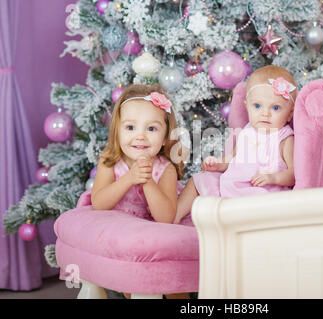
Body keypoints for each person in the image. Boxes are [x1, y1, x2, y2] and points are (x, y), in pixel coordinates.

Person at [174, 65, 296, 224]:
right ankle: (173, 216)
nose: (265, 113)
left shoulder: (284, 138)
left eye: (275, 107)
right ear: (247, 107)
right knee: (197, 180)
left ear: (289, 114)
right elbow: (235, 158)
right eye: (257, 106)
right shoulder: (247, 131)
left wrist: (272, 178)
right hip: (231, 189)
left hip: (262, 195)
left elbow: (293, 175)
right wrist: (218, 165)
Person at [91, 84, 183, 224]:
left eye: (151, 128)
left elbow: (166, 218)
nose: (140, 136)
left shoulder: (166, 169)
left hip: (146, 231)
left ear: (165, 137)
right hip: (113, 225)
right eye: (130, 127)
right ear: (118, 131)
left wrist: (147, 179)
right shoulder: (110, 159)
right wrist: (129, 178)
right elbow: (98, 204)